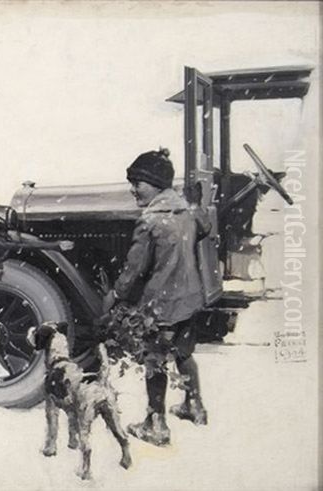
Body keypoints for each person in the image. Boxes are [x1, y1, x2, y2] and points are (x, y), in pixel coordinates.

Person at [103, 148, 209, 446]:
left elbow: (134, 269)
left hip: (160, 305)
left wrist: (115, 294)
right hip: (190, 298)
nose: (133, 189)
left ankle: (156, 423)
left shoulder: (149, 221)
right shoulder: (185, 211)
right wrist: (197, 204)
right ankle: (195, 405)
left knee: (155, 360)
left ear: (155, 183)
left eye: (138, 182)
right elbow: (206, 228)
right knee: (185, 354)